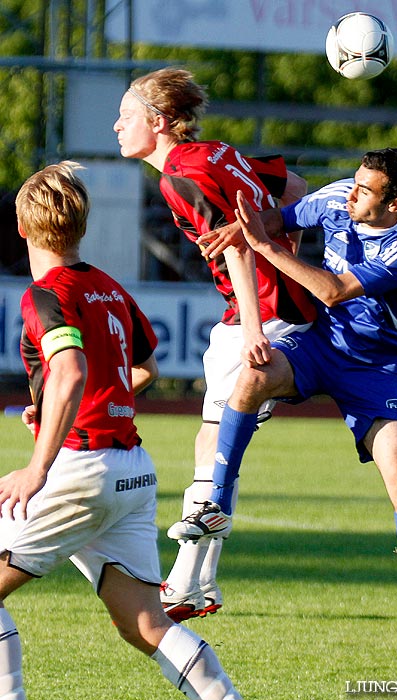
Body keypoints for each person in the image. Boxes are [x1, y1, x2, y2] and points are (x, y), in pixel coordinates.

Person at [178, 148, 397, 667]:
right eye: (353, 182)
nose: (350, 193)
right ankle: (216, 504)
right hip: (316, 346)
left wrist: (263, 246)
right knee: (252, 377)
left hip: (372, 368)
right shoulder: (336, 197)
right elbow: (279, 216)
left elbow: (333, 292)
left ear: (395, 203)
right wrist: (235, 231)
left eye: (365, 189)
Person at [0, 161, 242, 699]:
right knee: (147, 625)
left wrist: (38, 463)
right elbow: (142, 371)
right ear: (82, 225)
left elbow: (70, 371)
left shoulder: (45, 294)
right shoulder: (108, 288)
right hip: (130, 472)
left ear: (21, 228)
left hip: (78, 468)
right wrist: (71, 408)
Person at [113, 67, 315, 622]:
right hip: (265, 308)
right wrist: (287, 244)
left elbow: (238, 250)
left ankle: (185, 584)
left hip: (264, 315)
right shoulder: (216, 152)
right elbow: (294, 188)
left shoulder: (180, 176)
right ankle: (195, 583)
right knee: (216, 445)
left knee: (216, 445)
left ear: (157, 122)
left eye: (126, 117)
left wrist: (253, 329)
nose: (117, 126)